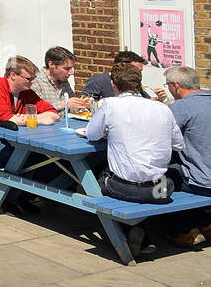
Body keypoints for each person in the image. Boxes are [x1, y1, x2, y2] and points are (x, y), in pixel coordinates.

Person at [85, 62, 184, 253]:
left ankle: (129, 230)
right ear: (139, 83)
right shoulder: (162, 109)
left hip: (122, 187)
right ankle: (141, 232)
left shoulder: (110, 104)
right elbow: (179, 145)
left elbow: (91, 134)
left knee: (93, 177)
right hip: (160, 189)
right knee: (169, 175)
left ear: (113, 84)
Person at [0, 56, 61, 212]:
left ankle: (24, 198)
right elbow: (7, 118)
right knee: (27, 161)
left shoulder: (26, 92)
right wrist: (39, 119)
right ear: (13, 75)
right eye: (28, 78)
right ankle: (11, 201)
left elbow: (53, 113)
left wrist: (30, 118)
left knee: (49, 160)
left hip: (11, 140)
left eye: (33, 78)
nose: (32, 82)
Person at [164, 66, 211, 246]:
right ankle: (204, 223)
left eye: (168, 85)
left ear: (176, 85)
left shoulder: (183, 107)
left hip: (202, 182)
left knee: (156, 184)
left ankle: (183, 230)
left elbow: (163, 138)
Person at [82, 51, 169, 102]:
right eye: (135, 71)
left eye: (140, 72)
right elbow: (84, 102)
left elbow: (146, 100)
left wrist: (160, 99)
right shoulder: (99, 80)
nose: (138, 75)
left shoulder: (134, 83)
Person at [31, 46, 89, 113]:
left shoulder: (63, 81)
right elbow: (35, 109)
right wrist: (63, 104)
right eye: (66, 69)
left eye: (72, 68)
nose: (71, 72)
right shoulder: (35, 81)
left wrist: (83, 104)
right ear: (51, 64)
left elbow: (72, 108)